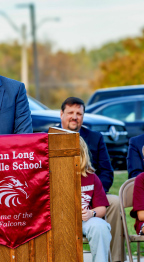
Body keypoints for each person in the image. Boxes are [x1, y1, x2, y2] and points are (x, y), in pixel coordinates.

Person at [60, 97, 124, 262]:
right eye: (71, 113)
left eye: (79, 113)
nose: (75, 117)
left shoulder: (95, 138)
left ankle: (115, 258)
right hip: (60, 197)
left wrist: (94, 193)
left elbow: (107, 172)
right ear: (61, 114)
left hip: (90, 193)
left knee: (115, 202)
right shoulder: (48, 137)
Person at [79, 137, 111, 262]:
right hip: (58, 222)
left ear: (82, 154)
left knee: (100, 225)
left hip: (84, 220)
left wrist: (91, 213)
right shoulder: (50, 175)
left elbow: (102, 209)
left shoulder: (91, 176)